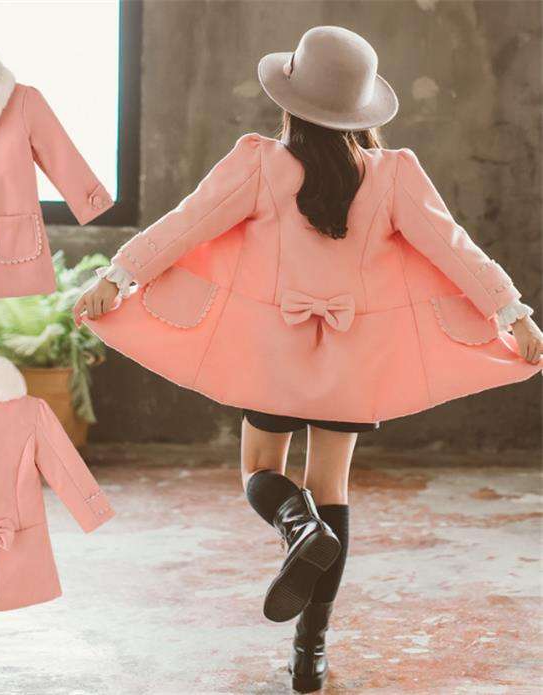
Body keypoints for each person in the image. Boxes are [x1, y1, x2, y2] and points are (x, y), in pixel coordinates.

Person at [74, 26, 541, 693]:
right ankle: (310, 652)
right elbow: (454, 247)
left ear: (290, 101)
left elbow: (186, 222)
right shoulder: (393, 174)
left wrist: (117, 277)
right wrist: (512, 313)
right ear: (360, 108)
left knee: (260, 471)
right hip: (353, 363)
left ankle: (297, 527)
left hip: (275, 356)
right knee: (333, 489)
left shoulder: (259, 162)